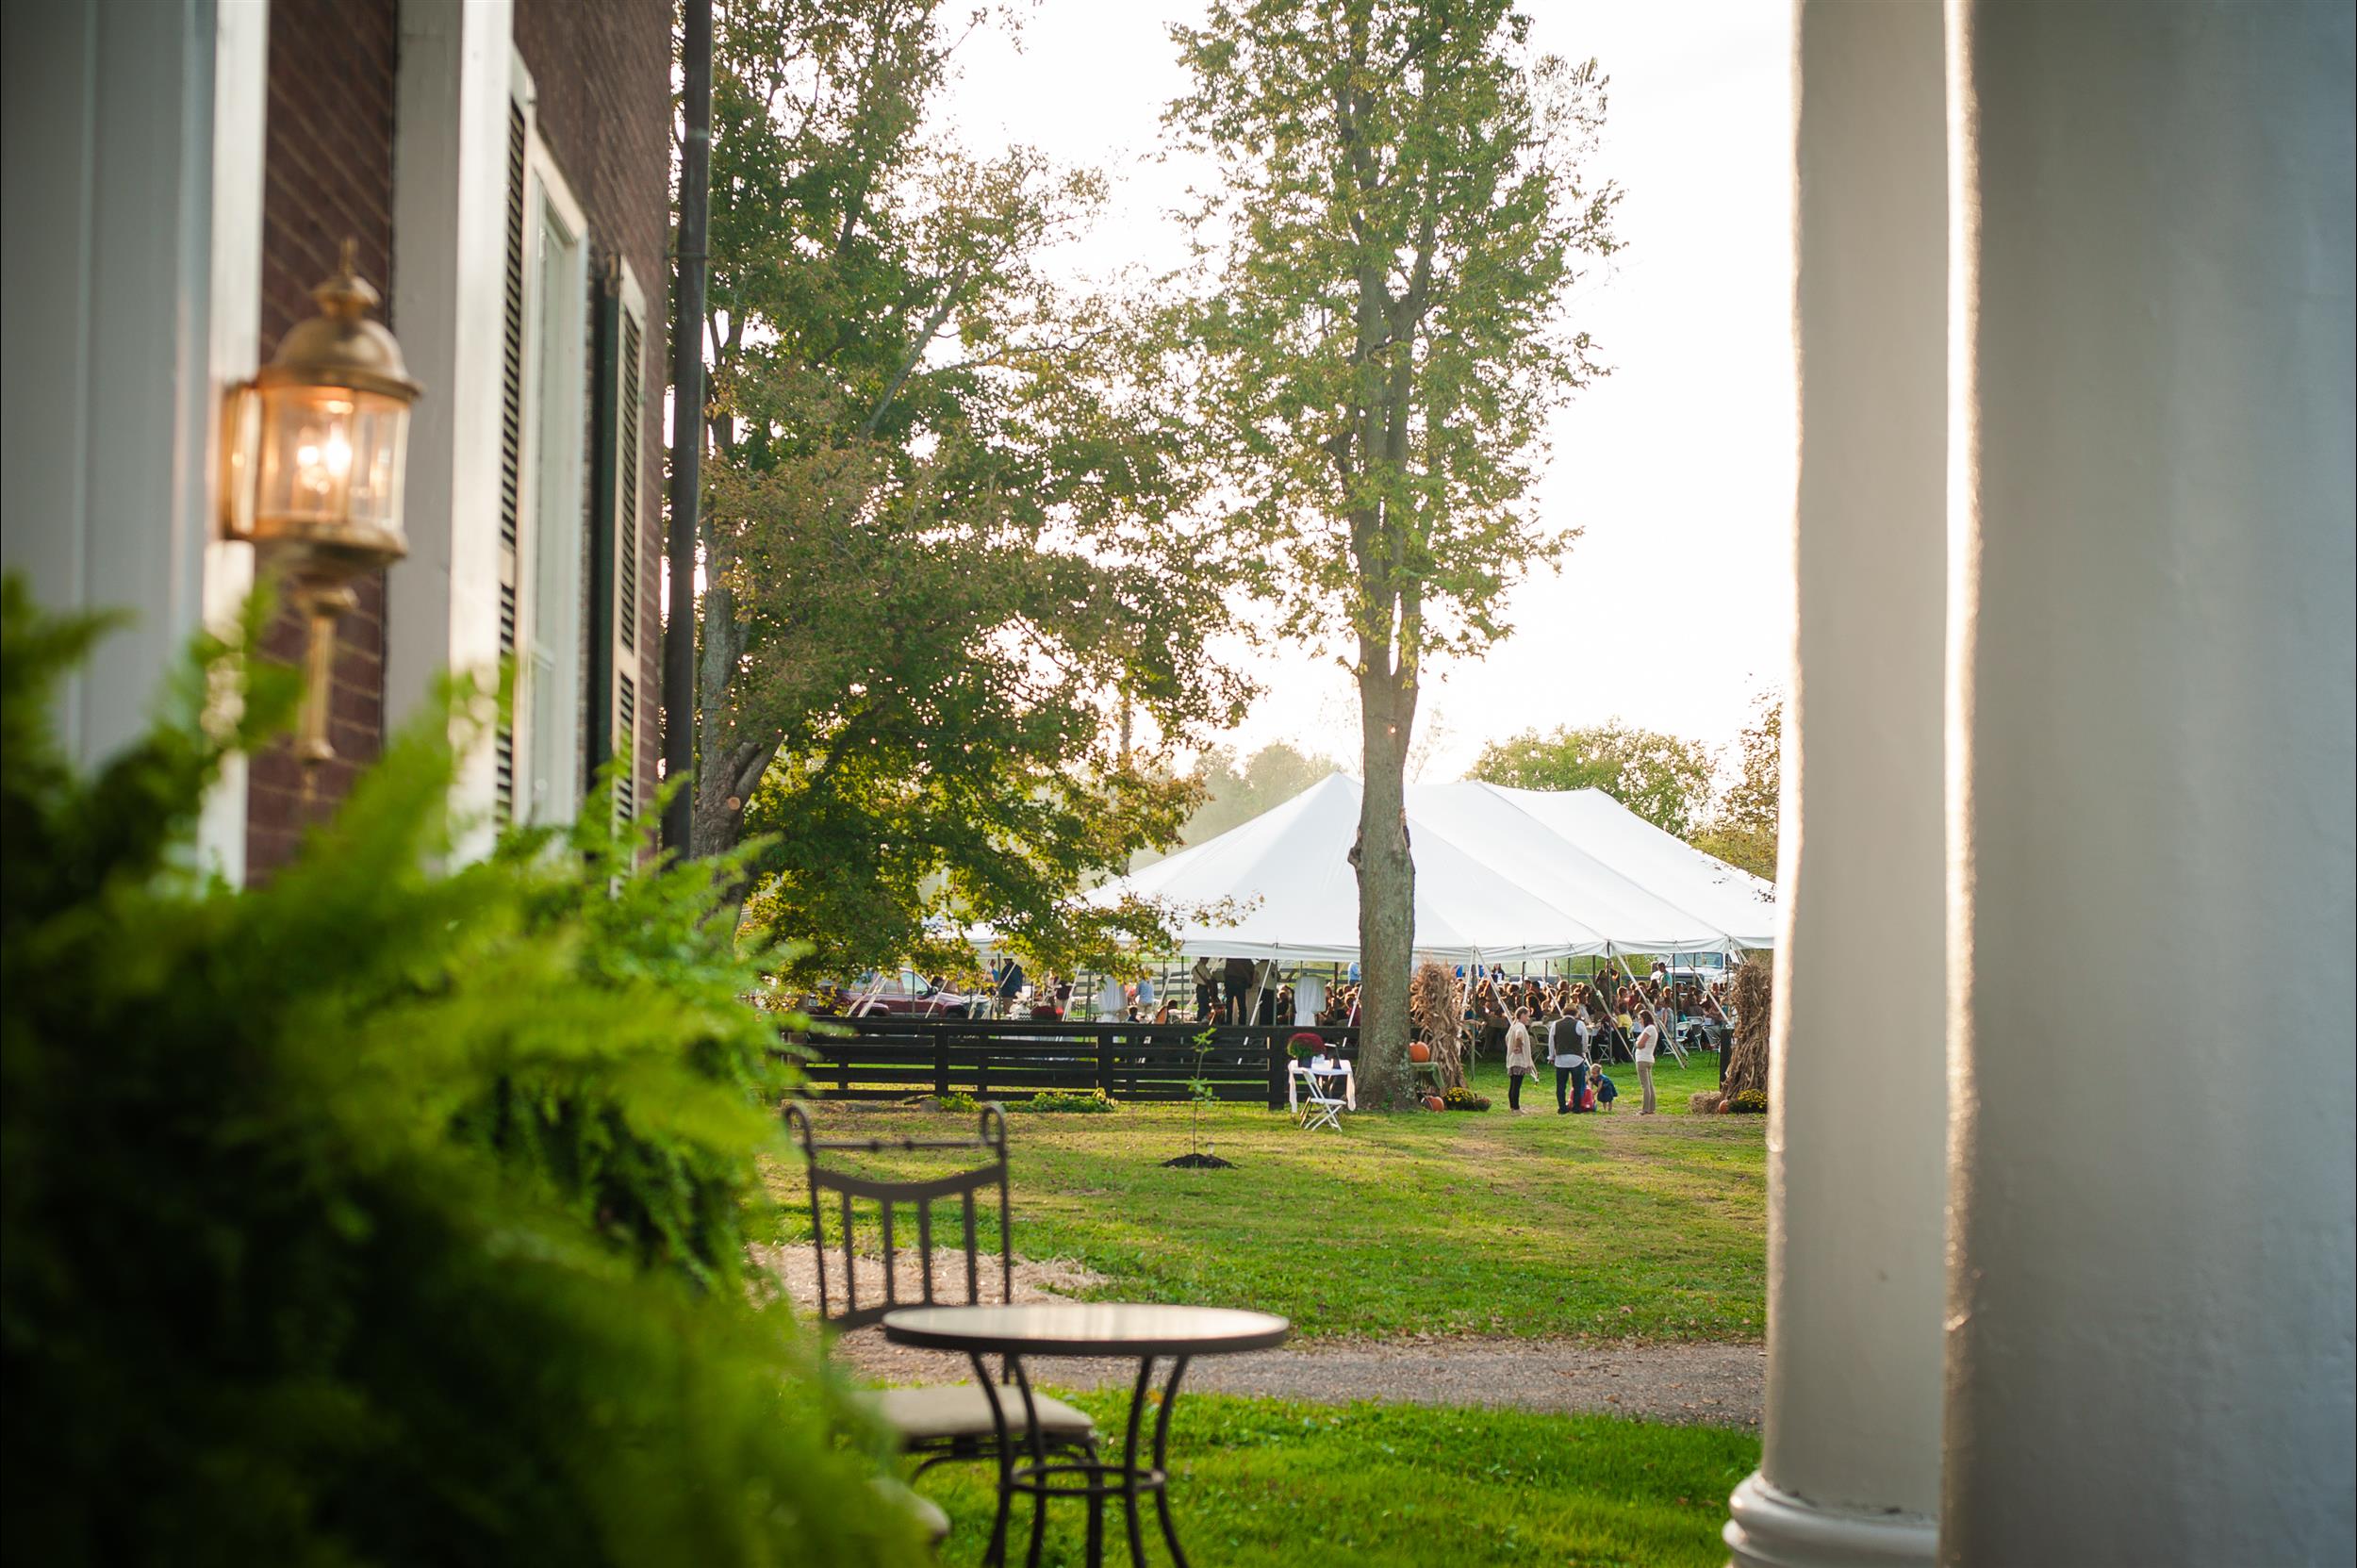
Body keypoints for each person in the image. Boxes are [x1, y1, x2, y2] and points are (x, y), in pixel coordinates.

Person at [1549, 1005, 1589, 1114]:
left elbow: (1551, 1041)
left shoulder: (1555, 1024)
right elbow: (1585, 1039)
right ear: (1576, 1014)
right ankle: (1576, 1107)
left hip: (1561, 1059)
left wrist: (1551, 1056)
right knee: (1577, 1085)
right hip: (1576, 1058)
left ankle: (1562, 1107)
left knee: (1561, 1085)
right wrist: (1584, 1051)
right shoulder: (1579, 1024)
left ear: (1563, 1013)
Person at [1504, 1006, 1537, 1113]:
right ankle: (1516, 1107)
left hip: (1512, 1059)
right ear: (1522, 1015)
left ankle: (1512, 1106)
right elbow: (1519, 1036)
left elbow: (1507, 1039)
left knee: (1513, 1084)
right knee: (1516, 1085)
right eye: (1527, 1016)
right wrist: (1517, 1046)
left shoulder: (1513, 1026)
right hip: (1518, 1060)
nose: (1528, 1018)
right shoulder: (1520, 1027)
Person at [1633, 1006, 1660, 1115]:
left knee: (1645, 1085)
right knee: (1649, 1084)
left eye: (1640, 1019)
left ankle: (1645, 1108)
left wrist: (1636, 1043)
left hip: (1643, 1058)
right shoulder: (1653, 1028)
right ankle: (1651, 1107)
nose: (1639, 1021)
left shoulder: (1649, 1029)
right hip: (1648, 1057)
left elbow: (1640, 1044)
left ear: (1645, 1018)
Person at [1192, 955, 1215, 1021]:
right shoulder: (1203, 967)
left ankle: (1200, 1018)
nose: (1207, 961)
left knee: (1201, 1004)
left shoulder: (1195, 968)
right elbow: (1209, 977)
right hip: (1203, 987)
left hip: (1199, 987)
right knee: (1204, 1005)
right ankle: (1202, 1018)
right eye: (1207, 959)